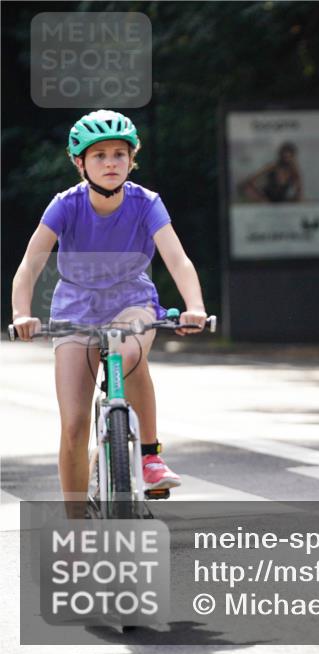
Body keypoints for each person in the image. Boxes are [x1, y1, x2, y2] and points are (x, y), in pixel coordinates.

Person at [10, 110, 208, 500]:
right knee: (74, 425)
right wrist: (21, 314)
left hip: (131, 301)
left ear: (132, 160)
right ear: (79, 162)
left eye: (120, 154)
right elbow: (30, 265)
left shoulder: (146, 203)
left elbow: (177, 259)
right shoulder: (65, 205)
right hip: (74, 310)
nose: (111, 163)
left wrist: (194, 306)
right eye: (99, 155)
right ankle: (76, 527)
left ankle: (150, 456)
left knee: (127, 348)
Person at [238, 141, 303, 203]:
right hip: (267, 199)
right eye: (285, 157)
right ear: (280, 156)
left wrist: (295, 201)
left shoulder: (293, 170)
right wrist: (260, 198)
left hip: (281, 202)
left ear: (293, 157)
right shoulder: (273, 167)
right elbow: (248, 181)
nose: (287, 159)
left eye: (289, 157)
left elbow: (299, 190)